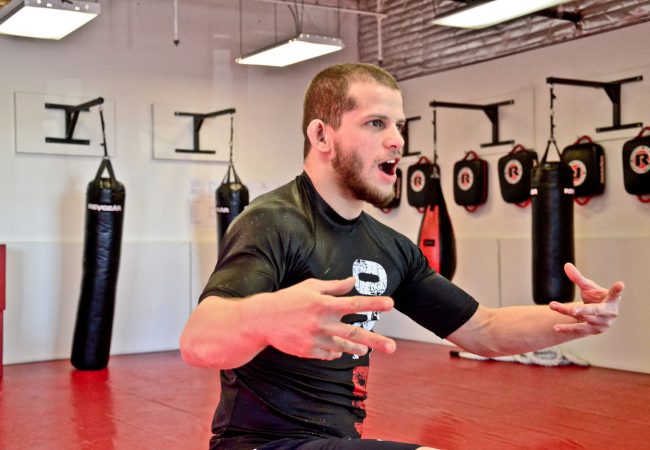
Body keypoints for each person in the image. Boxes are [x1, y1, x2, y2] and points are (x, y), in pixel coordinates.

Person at [180, 63, 624, 450]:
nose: (397, 141)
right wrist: (265, 317)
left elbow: (484, 330)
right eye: (376, 123)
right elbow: (197, 340)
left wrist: (580, 319)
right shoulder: (273, 222)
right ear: (321, 135)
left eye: (400, 127)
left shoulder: (389, 248)